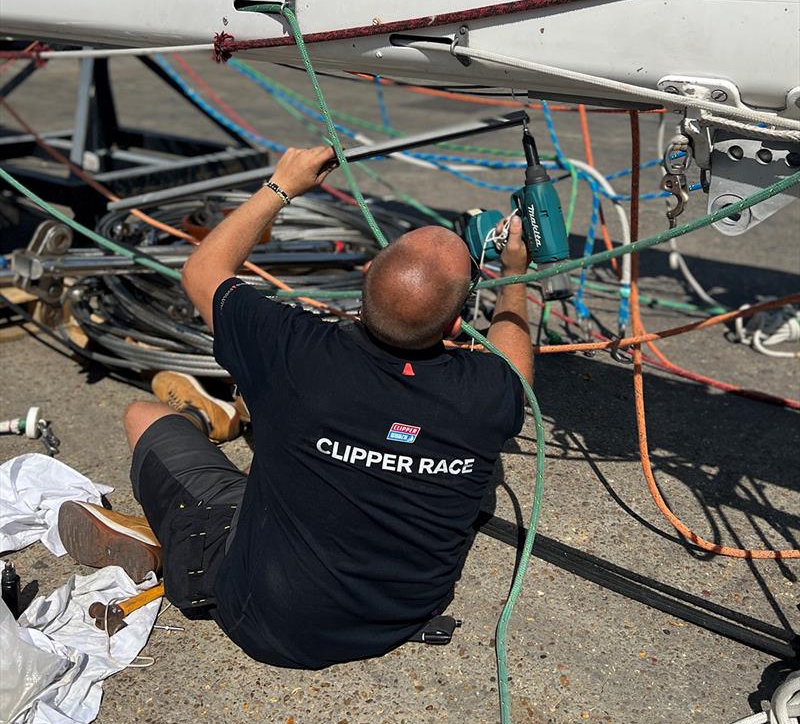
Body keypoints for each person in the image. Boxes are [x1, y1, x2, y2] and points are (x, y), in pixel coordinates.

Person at [58, 146, 533, 669]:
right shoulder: (487, 394)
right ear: (455, 326)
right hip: (398, 618)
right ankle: (217, 426)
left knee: (143, 416)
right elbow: (514, 363)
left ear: (364, 280)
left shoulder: (295, 351)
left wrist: (282, 185)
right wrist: (517, 280)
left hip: (261, 617)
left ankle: (184, 482)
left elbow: (202, 270)